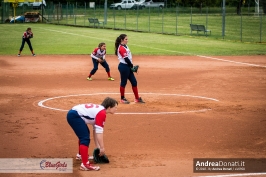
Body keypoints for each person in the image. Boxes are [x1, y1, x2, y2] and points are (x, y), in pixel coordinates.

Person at [66, 97, 118, 171]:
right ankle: (85, 164)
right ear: (109, 107)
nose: (116, 109)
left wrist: (98, 147)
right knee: (85, 138)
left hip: (73, 114)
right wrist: (102, 148)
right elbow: (99, 132)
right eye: (115, 107)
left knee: (85, 135)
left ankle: (81, 155)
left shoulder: (100, 110)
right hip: (74, 116)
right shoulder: (102, 113)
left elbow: (95, 131)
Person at [115, 34, 145, 104]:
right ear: (122, 40)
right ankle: (122, 98)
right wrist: (131, 65)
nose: (127, 40)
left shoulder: (125, 46)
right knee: (123, 82)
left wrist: (130, 66)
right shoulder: (121, 48)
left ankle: (137, 98)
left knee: (134, 82)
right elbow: (126, 59)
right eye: (126, 39)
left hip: (127, 66)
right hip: (124, 66)